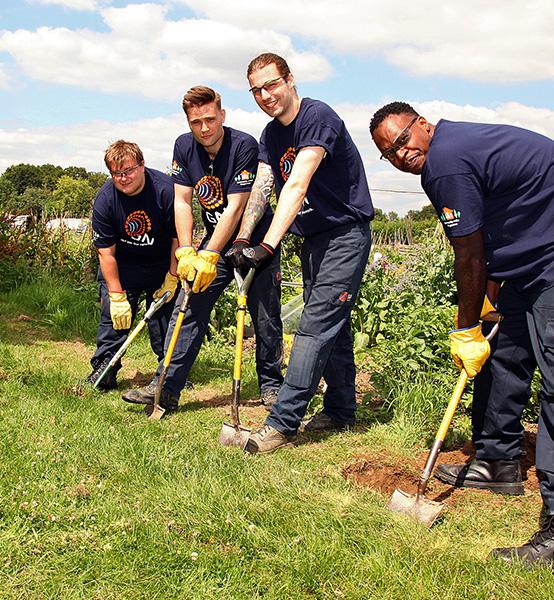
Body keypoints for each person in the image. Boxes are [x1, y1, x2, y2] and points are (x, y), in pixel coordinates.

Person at [370, 102, 554, 571]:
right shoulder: (451, 155)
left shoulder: (445, 162)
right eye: (389, 152)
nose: (401, 153)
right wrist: (489, 303)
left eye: (404, 139)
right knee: (504, 353)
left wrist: (467, 325)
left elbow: (468, 255)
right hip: (539, 261)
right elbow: (486, 238)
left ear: (424, 124)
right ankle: (498, 462)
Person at [237, 52, 374, 454]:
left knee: (313, 326)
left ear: (290, 79)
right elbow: (265, 185)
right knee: (334, 324)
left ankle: (282, 422)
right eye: (257, 90)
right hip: (314, 240)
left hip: (345, 235)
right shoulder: (270, 133)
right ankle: (341, 410)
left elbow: (295, 185)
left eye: (271, 84)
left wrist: (267, 244)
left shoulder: (317, 117)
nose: (265, 95)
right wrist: (244, 238)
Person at [122, 86, 283, 414]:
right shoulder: (183, 146)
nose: (204, 127)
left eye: (210, 119)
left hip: (254, 243)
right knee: (189, 304)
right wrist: (185, 250)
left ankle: (271, 385)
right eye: (196, 122)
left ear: (222, 115)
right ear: (188, 122)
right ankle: (165, 387)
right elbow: (183, 201)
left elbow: (236, 207)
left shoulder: (243, 146)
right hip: (213, 243)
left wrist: (209, 254)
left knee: (265, 315)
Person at [88, 140, 178, 390]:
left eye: (128, 171)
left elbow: (178, 238)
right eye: (116, 173)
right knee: (113, 321)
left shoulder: (165, 190)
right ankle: (104, 369)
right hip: (123, 268)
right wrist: (116, 295)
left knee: (164, 322)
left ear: (142, 166)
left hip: (161, 266)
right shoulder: (105, 200)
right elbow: (106, 254)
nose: (123, 178)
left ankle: (169, 373)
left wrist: (172, 276)